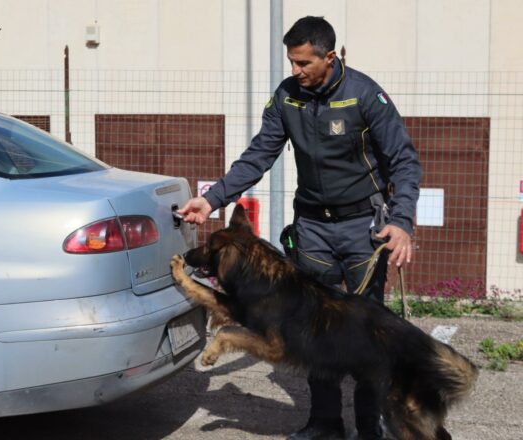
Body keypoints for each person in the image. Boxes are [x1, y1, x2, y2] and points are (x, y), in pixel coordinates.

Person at [177, 16, 421, 440]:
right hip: (311, 229)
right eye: (291, 62)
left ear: (329, 56)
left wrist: (401, 222)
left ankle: (370, 425)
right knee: (311, 329)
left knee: (366, 331)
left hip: (364, 230)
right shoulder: (288, 98)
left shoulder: (364, 95)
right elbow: (258, 155)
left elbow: (404, 160)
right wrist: (213, 198)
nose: (296, 71)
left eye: (304, 63)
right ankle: (326, 424)